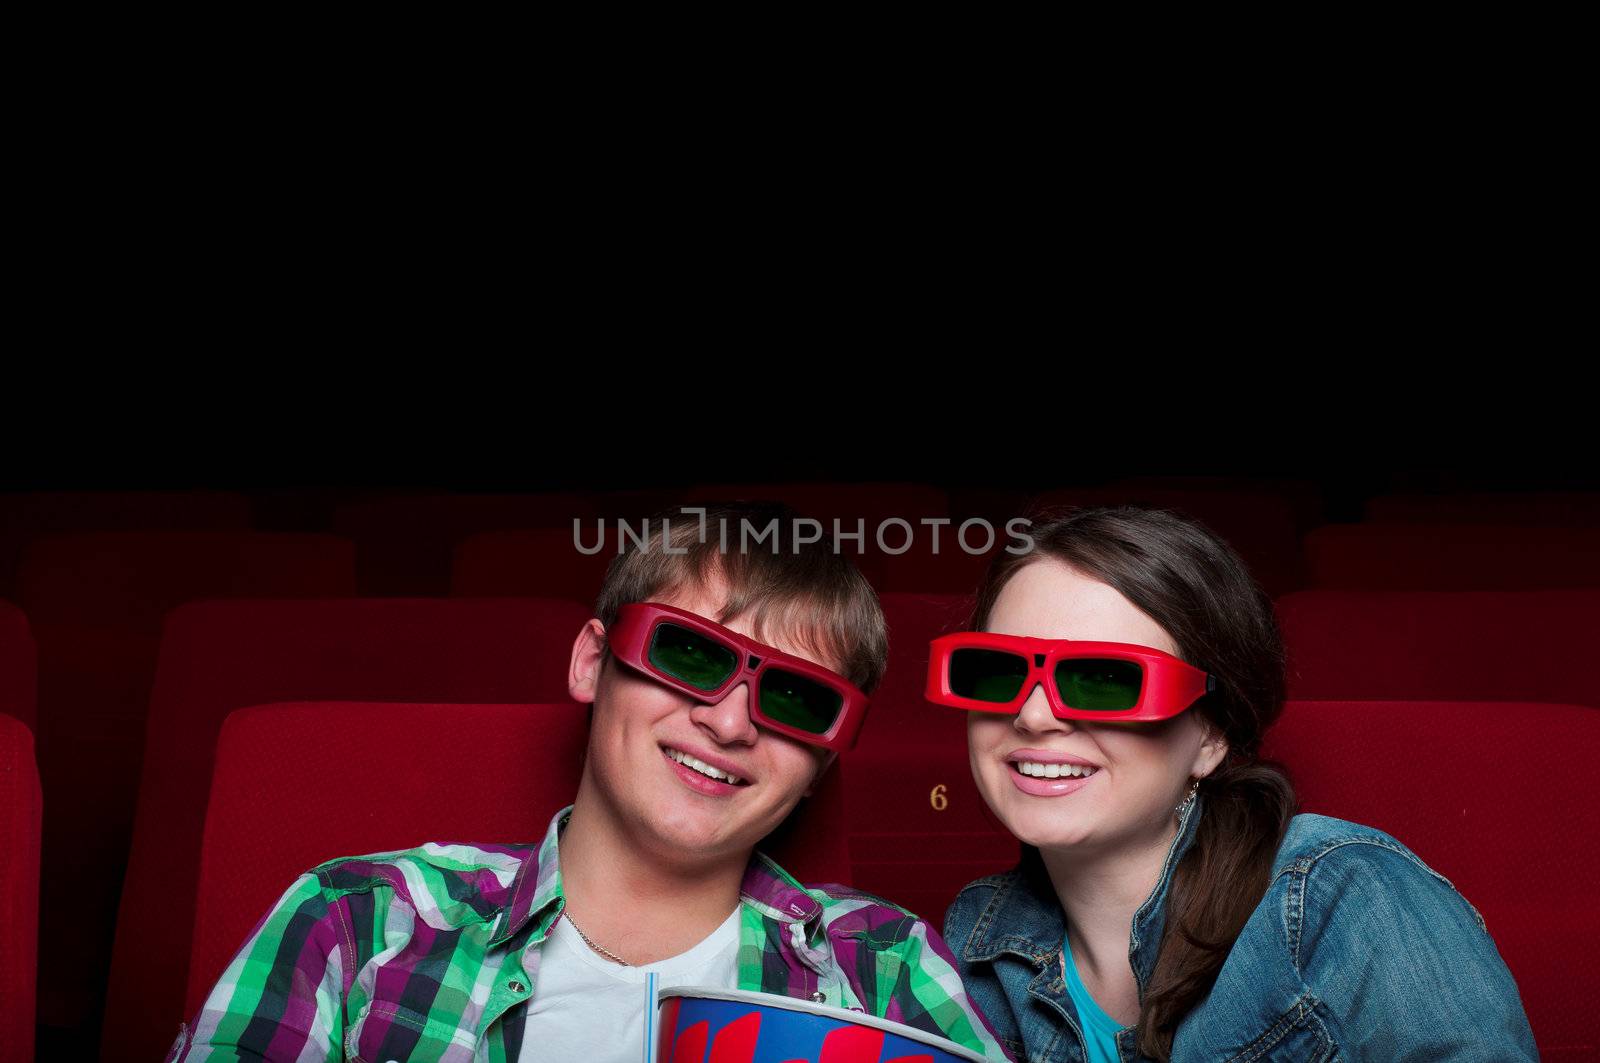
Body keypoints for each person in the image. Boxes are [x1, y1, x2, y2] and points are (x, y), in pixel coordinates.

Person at [167, 502, 1011, 1062]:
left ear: (823, 759)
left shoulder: (888, 969)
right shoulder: (358, 924)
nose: (728, 721)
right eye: (690, 654)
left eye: (796, 697)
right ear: (592, 660)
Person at [932, 506, 1536, 1063]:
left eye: (1105, 680)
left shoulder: (1345, 904)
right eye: (999, 672)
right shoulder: (978, 938)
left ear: (1211, 735)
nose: (1034, 717)